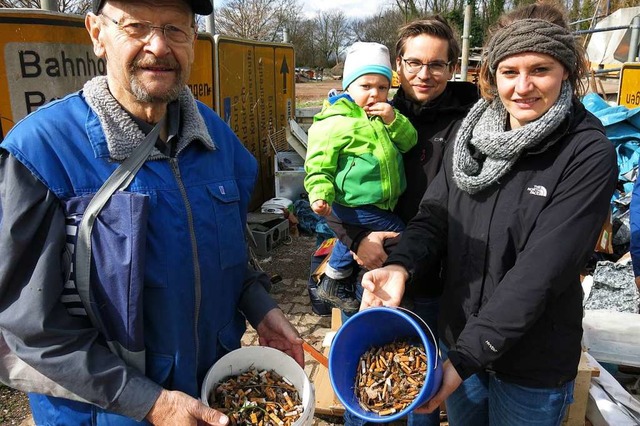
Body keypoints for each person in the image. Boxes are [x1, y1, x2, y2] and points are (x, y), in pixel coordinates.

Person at [0, 0, 303, 425]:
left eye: (175, 29)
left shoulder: (217, 139)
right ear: (97, 34)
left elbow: (233, 256)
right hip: (103, 414)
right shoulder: (41, 152)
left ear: (193, 40)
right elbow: (28, 329)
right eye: (136, 26)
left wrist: (262, 308)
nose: (158, 46)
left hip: (210, 396)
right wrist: (150, 402)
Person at [360, 3, 618, 425]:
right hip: (460, 342)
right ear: (492, 74)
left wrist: (463, 360)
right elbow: (435, 212)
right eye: (509, 71)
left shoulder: (587, 152)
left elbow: (541, 273)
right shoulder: (470, 135)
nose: (522, 87)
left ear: (566, 72)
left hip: (530, 366)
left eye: (540, 69)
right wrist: (401, 265)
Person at [324, 16, 478, 426]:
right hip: (376, 271)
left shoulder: (470, 121)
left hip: (433, 278)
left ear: (452, 66)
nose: (423, 74)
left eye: (437, 64)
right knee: (368, 380)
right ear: (398, 64)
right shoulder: (363, 112)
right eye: (413, 63)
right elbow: (332, 190)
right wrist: (356, 240)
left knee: (418, 390)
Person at [304, 42, 418, 314]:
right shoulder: (334, 121)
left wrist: (394, 121)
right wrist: (320, 194)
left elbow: (410, 143)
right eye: (366, 87)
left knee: (365, 246)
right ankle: (339, 280)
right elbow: (318, 164)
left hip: (380, 202)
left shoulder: (385, 116)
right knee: (401, 236)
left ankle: (341, 280)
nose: (375, 94)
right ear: (348, 87)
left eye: (382, 87)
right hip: (355, 204)